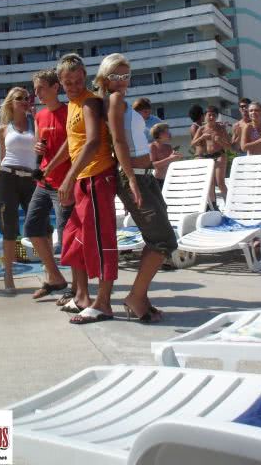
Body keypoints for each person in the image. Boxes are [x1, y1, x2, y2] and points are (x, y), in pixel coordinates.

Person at [95, 54, 178, 323]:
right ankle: (135, 296)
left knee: (157, 238)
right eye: (115, 76)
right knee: (164, 239)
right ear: (105, 78)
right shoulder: (114, 100)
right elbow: (118, 141)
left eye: (126, 75)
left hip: (145, 177)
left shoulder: (120, 101)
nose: (122, 81)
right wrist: (131, 178)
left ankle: (141, 297)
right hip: (134, 177)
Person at [55, 53, 117, 324]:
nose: (73, 86)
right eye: (68, 82)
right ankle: (81, 296)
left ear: (84, 77)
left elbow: (92, 142)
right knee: (72, 238)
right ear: (60, 82)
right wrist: (50, 168)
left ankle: (103, 303)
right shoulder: (72, 104)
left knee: (102, 242)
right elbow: (72, 142)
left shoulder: (90, 102)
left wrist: (69, 177)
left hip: (97, 178)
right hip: (83, 180)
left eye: (78, 80)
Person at [23, 69, 73, 300]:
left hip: (65, 183)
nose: (38, 93)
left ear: (55, 87)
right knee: (32, 228)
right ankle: (55, 278)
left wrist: (49, 167)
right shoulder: (40, 116)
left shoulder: (70, 112)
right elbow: (39, 143)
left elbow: (72, 147)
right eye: (35, 90)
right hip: (44, 183)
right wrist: (38, 148)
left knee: (66, 239)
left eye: (41, 88)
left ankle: (78, 289)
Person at [0, 87, 47, 295]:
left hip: (31, 179)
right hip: (7, 177)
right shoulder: (3, 129)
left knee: (40, 225)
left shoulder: (37, 123)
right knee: (9, 229)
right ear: (11, 103)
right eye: (20, 98)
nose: (25, 100)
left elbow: (43, 148)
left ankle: (49, 271)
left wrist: (36, 118)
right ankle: (8, 275)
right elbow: (2, 157)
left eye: (27, 97)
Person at [191, 105, 231, 203]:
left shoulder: (221, 128)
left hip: (219, 155)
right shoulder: (201, 129)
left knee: (220, 182)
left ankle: (229, 203)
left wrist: (220, 141)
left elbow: (229, 146)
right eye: (209, 115)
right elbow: (192, 144)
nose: (211, 117)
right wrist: (202, 137)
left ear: (217, 117)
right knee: (210, 183)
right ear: (205, 116)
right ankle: (214, 204)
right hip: (207, 157)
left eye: (214, 115)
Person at [149, 123, 182, 189]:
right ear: (160, 134)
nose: (169, 133)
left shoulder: (168, 146)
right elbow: (152, 165)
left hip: (171, 179)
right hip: (158, 181)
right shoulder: (153, 146)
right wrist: (170, 159)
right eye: (167, 131)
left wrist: (177, 158)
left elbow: (171, 162)